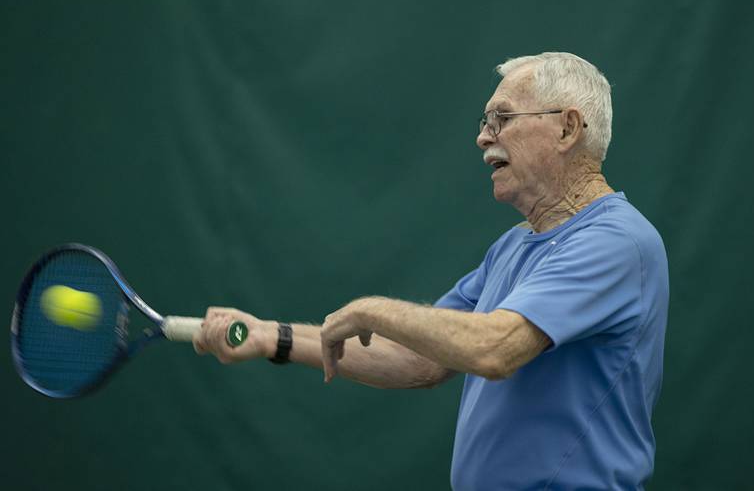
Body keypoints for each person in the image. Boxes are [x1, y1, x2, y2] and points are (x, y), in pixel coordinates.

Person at [193, 52, 669, 490]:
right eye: (486, 121)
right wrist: (271, 337)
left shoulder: (616, 242)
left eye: (501, 118)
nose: (483, 136)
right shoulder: (512, 246)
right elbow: (418, 359)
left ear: (567, 129)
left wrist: (372, 309)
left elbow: (495, 348)